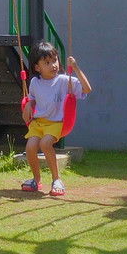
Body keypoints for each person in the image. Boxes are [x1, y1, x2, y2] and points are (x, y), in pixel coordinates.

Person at [21, 41, 91, 196]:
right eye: (47, 62)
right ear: (37, 68)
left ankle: (57, 179)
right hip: (38, 123)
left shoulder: (64, 80)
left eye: (55, 60)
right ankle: (36, 180)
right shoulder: (34, 82)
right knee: (30, 147)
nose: (53, 65)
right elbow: (32, 98)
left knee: (46, 144)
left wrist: (76, 68)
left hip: (56, 123)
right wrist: (28, 105)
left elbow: (87, 89)